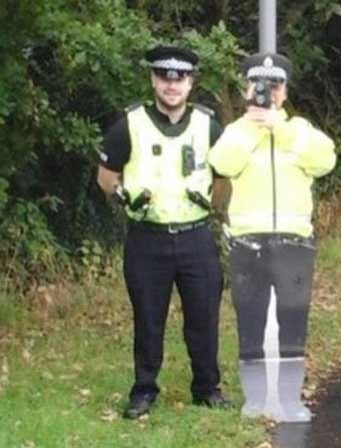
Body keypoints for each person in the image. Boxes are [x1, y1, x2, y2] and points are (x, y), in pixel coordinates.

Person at [96, 45, 230, 418]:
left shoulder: (208, 126)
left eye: (180, 78)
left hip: (195, 236)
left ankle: (207, 388)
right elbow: (106, 177)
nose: (172, 85)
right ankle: (144, 391)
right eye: (164, 77)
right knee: (148, 318)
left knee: (204, 317)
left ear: (191, 83)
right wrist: (125, 197)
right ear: (154, 80)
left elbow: (223, 178)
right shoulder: (130, 124)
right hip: (147, 238)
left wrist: (210, 205)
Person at [208, 52, 336, 422]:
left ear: (285, 90)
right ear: (247, 88)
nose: (268, 92)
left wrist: (278, 127)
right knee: (250, 317)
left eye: (275, 85)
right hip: (248, 241)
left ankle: (290, 400)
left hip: (294, 242)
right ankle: (256, 399)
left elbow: (325, 161)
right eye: (260, 85)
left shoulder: (299, 128)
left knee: (293, 318)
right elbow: (222, 164)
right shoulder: (236, 131)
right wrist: (253, 126)